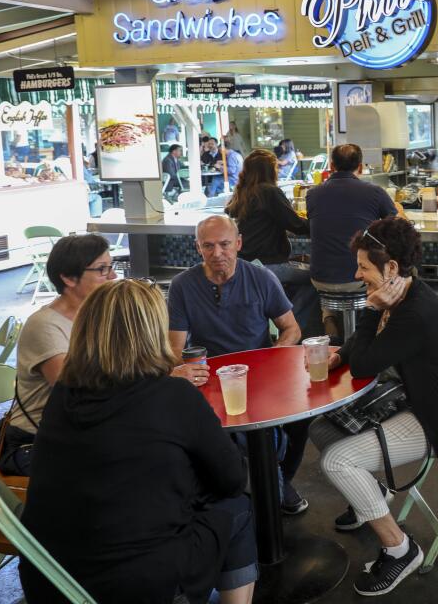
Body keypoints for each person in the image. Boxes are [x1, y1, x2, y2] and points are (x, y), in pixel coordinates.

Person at [20, 280, 257, 604]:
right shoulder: (173, 395)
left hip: (51, 580)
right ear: (152, 332)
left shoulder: (62, 395)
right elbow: (230, 480)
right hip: (139, 584)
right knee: (238, 507)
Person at [311, 216, 438, 596]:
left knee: (337, 460)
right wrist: (340, 355)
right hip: (412, 400)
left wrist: (370, 312)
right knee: (320, 428)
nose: (357, 274)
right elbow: (360, 347)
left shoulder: (417, 312)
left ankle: (400, 549)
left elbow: (368, 363)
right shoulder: (403, 295)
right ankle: (373, 495)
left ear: (390, 268)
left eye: (364, 267)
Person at [167, 215, 310, 515]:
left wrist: (272, 359)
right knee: (237, 432)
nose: (217, 253)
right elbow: (175, 349)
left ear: (239, 243)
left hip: (261, 376)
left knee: (299, 419)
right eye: (208, 245)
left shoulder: (261, 279)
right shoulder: (182, 286)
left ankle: (275, 479)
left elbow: (291, 329)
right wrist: (182, 369)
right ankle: (265, 485)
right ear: (197, 248)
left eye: (224, 244)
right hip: (211, 379)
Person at [0, 234, 118, 476]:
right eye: (102, 269)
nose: (113, 276)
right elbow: (78, 392)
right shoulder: (45, 325)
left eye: (111, 267)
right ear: (68, 278)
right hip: (36, 442)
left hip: (79, 431)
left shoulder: (96, 315)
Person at [306, 143, 399, 337]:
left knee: (332, 282)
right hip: (357, 279)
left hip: (320, 279)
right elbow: (395, 226)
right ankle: (384, 331)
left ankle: (329, 319)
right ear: (361, 167)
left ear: (331, 166)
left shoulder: (312, 194)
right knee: (401, 272)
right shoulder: (374, 192)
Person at [224, 149, 317, 330]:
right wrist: (321, 226)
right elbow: (295, 224)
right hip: (268, 265)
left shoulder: (243, 192)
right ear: (270, 170)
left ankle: (283, 320)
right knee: (315, 278)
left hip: (247, 265)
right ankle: (293, 327)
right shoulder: (269, 192)